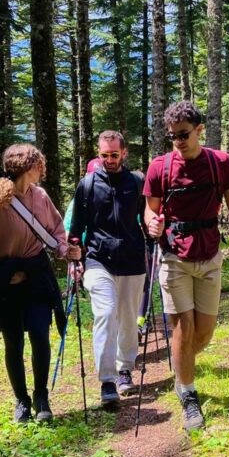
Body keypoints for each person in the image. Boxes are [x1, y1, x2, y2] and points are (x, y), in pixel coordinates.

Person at [143, 101, 229, 432]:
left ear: (199, 130)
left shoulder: (220, 163)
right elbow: (149, 210)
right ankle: (189, 394)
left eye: (183, 134)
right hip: (174, 256)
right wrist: (153, 224)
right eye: (172, 136)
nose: (178, 141)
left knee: (205, 331)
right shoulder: (160, 167)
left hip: (209, 254)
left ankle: (182, 368)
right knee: (183, 327)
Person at [0, 144, 67, 424]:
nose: (41, 168)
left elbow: (57, 232)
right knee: (13, 342)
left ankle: (42, 396)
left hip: (36, 277)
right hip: (6, 281)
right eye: (38, 164)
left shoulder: (41, 196)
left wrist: (67, 250)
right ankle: (21, 400)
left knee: (40, 338)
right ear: (28, 167)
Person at [66, 131, 147, 410]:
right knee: (105, 313)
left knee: (127, 317)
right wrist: (74, 252)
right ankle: (107, 381)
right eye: (104, 155)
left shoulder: (137, 182)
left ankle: (125, 368)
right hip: (98, 259)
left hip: (133, 260)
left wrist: (160, 234)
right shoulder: (87, 185)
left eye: (114, 155)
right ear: (98, 154)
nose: (109, 160)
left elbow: (147, 221)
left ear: (123, 153)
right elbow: (76, 229)